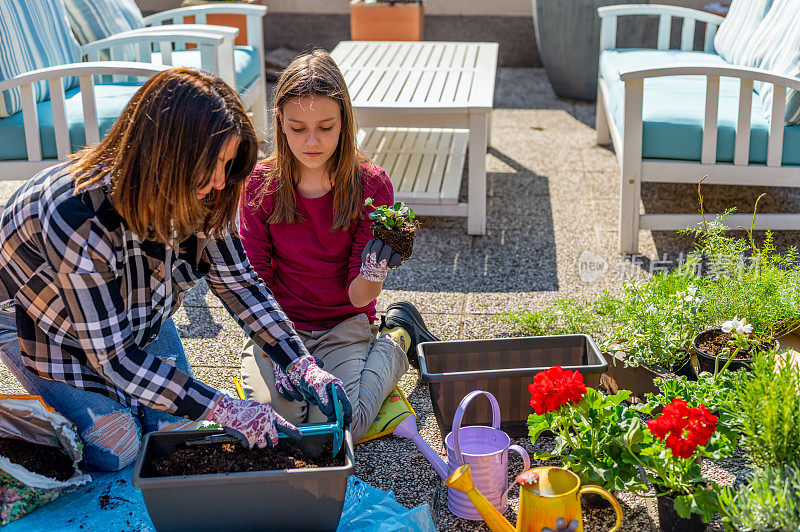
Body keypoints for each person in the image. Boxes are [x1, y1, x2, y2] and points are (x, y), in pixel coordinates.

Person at [0, 68, 352, 472]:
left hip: (133, 313)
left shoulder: (202, 188)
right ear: (168, 156)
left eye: (228, 164)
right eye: (212, 164)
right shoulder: (76, 215)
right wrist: (225, 408)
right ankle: (28, 424)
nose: (220, 181)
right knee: (120, 446)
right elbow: (114, 359)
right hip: (40, 323)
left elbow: (240, 284)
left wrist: (299, 362)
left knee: (172, 430)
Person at [239, 50, 439, 443]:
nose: (311, 141)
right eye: (297, 128)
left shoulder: (370, 185)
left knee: (339, 427)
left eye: (326, 126)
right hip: (277, 326)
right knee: (283, 428)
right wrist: (277, 348)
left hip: (343, 324)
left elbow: (358, 293)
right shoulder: (261, 185)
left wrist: (373, 271)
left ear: (344, 121)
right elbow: (253, 283)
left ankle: (398, 335)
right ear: (279, 122)